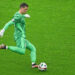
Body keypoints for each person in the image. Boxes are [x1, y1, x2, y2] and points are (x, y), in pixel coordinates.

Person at [0, 3, 38, 68]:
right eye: (25, 9)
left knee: (33, 48)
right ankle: (5, 47)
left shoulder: (20, 15)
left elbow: (20, 19)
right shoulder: (17, 16)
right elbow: (9, 23)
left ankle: (33, 64)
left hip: (22, 36)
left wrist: (24, 16)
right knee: (22, 51)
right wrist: (3, 30)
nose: (26, 11)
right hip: (19, 36)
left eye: (27, 9)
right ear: (21, 8)